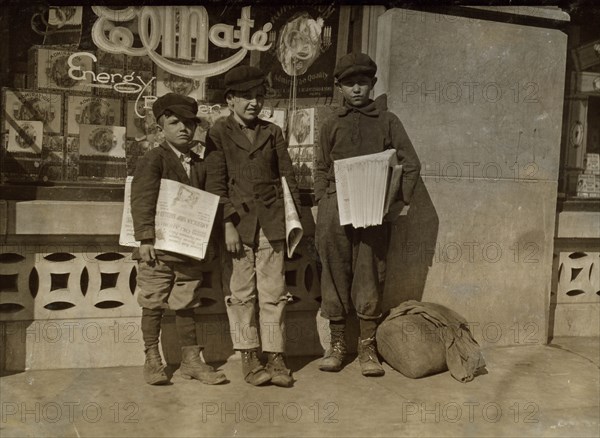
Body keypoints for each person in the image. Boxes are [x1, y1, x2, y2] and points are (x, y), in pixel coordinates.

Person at [314, 52, 421, 376]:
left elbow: (411, 163)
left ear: (372, 84)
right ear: (339, 87)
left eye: (362, 83)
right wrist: (323, 202)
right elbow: (320, 167)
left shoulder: (388, 121)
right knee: (333, 271)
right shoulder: (331, 123)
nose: (357, 89)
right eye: (349, 84)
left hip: (373, 210)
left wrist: (394, 206)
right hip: (335, 208)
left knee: (369, 272)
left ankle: (367, 348)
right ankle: (336, 346)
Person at [205, 65, 302, 387]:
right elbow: (215, 184)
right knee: (241, 294)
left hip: (272, 223)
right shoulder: (218, 132)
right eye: (246, 96)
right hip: (238, 227)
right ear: (230, 100)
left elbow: (287, 177)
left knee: (274, 293)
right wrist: (228, 223)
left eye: (259, 96)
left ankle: (275, 356)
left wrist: (295, 223)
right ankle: (248, 355)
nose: (254, 103)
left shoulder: (272, 132)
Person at [131, 93, 227, 386]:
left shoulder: (200, 163)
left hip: (187, 250)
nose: (183, 128)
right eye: (174, 122)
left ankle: (190, 360)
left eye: (189, 122)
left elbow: (209, 202)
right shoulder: (153, 159)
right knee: (153, 303)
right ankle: (152, 358)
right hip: (157, 251)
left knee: (186, 305)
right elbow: (142, 199)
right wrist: (145, 238)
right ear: (161, 128)